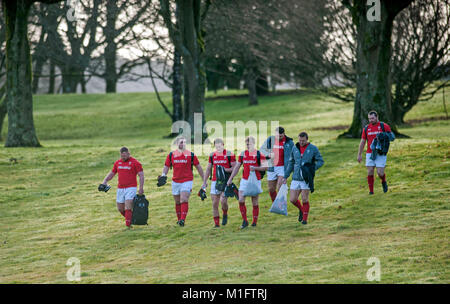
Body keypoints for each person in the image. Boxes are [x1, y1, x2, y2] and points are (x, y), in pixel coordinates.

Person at [160, 137, 205, 227]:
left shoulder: (191, 155)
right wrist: (163, 175)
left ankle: (182, 220)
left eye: (184, 142)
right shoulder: (171, 155)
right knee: (177, 202)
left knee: (183, 199)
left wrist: (204, 179)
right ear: (177, 144)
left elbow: (198, 167)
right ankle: (179, 219)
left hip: (187, 180)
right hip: (176, 181)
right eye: (181, 142)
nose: (183, 144)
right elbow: (166, 166)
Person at [282, 132, 324, 225]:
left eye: (303, 141)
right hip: (296, 178)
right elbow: (291, 162)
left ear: (307, 139)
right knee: (292, 199)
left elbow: (321, 161)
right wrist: (285, 176)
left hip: (306, 178)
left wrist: (312, 169)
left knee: (305, 199)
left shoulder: (313, 148)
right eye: (300, 140)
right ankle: (301, 210)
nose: (301, 142)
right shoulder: (295, 148)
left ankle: (304, 220)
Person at [227, 136, 268, 229]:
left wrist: (256, 168)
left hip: (255, 180)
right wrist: (230, 178)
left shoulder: (259, 154)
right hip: (244, 180)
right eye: (247, 144)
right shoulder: (242, 154)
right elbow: (237, 167)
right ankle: (245, 220)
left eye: (250, 144)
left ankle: (254, 222)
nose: (248, 146)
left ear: (254, 144)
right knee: (241, 199)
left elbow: (266, 167)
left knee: (254, 201)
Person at [100, 147, 144, 228]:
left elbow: (141, 175)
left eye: (124, 156)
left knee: (128, 206)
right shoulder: (118, 163)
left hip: (131, 187)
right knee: (120, 208)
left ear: (128, 154)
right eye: (121, 156)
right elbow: (112, 173)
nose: (123, 158)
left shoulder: (135, 163)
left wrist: (141, 188)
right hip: (120, 188)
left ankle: (128, 225)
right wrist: (105, 181)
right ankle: (132, 219)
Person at [357, 110, 395, 194]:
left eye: (372, 118)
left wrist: (385, 136)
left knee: (380, 172)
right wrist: (359, 154)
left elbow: (392, 137)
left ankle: (383, 181)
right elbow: (363, 141)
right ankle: (371, 191)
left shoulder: (384, 126)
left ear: (377, 117)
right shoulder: (366, 128)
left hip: (380, 152)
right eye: (369, 119)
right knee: (370, 171)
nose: (371, 120)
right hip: (370, 153)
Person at [202, 138, 237, 228]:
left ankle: (225, 213)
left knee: (223, 201)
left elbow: (235, 168)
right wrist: (204, 181)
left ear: (223, 144)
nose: (218, 147)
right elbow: (209, 168)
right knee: (214, 203)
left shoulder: (229, 154)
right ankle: (216, 224)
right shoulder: (212, 155)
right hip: (215, 181)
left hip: (226, 181)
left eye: (220, 145)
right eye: (216, 146)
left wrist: (225, 170)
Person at [260, 126, 294, 203]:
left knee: (280, 187)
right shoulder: (270, 140)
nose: (279, 137)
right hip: (271, 167)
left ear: (284, 134)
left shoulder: (289, 143)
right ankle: (275, 204)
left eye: (281, 136)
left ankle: (281, 204)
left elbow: (294, 154)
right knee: (271, 189)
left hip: (283, 167)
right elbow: (262, 150)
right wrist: (268, 155)